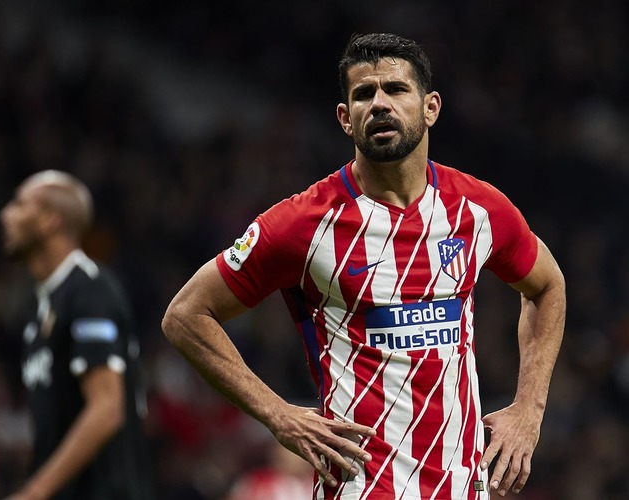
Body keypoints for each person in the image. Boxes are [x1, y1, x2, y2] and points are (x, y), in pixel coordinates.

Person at [162, 32, 566, 499]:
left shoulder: (479, 209)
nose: (379, 104)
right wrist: (277, 414)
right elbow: (185, 315)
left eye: (395, 89)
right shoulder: (303, 222)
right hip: (361, 487)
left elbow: (547, 286)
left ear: (430, 107)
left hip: (462, 487)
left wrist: (529, 411)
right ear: (345, 119)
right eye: (363, 94)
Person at [0, 170, 153, 500]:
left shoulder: (90, 291)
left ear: (50, 220)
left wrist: (34, 492)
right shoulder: (42, 305)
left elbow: (106, 408)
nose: (6, 215)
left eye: (20, 204)